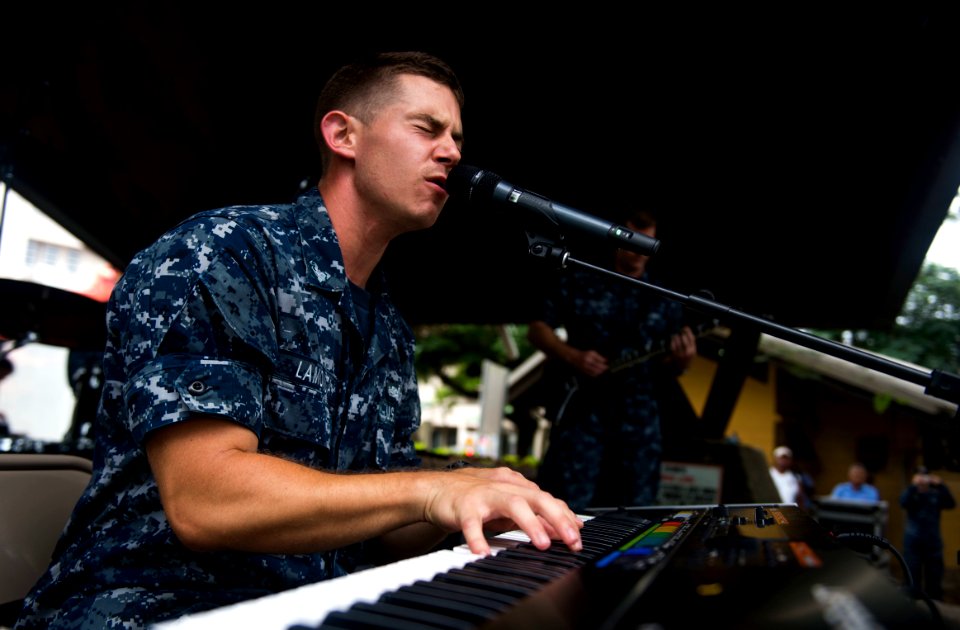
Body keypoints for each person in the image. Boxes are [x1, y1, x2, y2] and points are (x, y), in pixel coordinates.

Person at [15, 51, 583, 630]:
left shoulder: (388, 326)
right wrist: (430, 489)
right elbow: (204, 501)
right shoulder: (225, 253)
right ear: (343, 135)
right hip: (151, 607)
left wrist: (472, 501)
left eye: (457, 137)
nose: (453, 153)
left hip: (308, 607)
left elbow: (384, 530)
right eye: (426, 128)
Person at [527, 209, 698, 512]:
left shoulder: (666, 295)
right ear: (618, 238)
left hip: (639, 420)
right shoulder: (580, 277)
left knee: (637, 510)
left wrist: (683, 359)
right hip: (583, 412)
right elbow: (538, 329)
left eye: (647, 244)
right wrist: (573, 356)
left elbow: (671, 365)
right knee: (567, 505)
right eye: (633, 242)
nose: (638, 252)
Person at [899, 466, 956, 600]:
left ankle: (935, 611)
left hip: (933, 543)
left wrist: (942, 485)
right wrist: (913, 486)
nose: (923, 480)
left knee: (934, 582)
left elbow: (951, 504)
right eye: (920, 476)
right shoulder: (911, 493)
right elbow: (902, 502)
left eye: (925, 476)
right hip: (913, 543)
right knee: (911, 580)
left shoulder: (936, 493)